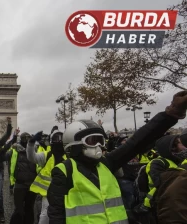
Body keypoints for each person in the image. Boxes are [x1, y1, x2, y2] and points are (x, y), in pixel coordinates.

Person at [47, 91, 187, 224]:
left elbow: (139, 140)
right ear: (74, 144)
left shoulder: (106, 164)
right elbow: (56, 214)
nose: (98, 145)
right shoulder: (64, 171)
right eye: (92, 140)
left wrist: (171, 113)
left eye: (100, 140)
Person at [135, 134, 187, 220]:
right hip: (157, 204)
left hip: (176, 201)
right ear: (172, 147)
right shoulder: (157, 163)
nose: (185, 147)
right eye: (182, 144)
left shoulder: (178, 161)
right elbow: (162, 183)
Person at [0, 132, 38, 224]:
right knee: (19, 211)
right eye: (25, 138)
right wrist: (6, 147)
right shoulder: (14, 150)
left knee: (29, 210)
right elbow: (1, 158)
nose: (27, 141)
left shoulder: (35, 150)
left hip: (32, 185)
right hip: (19, 184)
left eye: (29, 139)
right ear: (21, 140)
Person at [27, 130, 66, 224]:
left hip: (66, 194)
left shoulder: (70, 155)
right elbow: (32, 157)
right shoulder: (47, 155)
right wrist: (31, 144)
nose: (59, 141)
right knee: (44, 218)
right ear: (51, 141)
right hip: (48, 195)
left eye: (61, 138)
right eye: (56, 138)